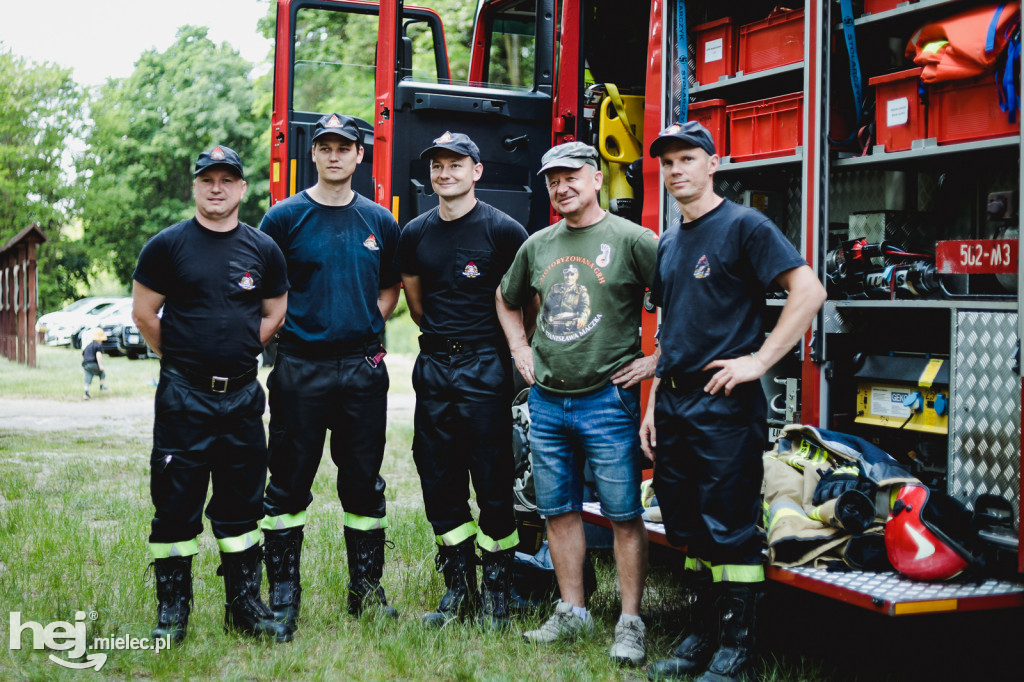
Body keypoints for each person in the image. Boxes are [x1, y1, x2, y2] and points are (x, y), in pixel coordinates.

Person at [641, 121, 826, 681]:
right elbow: (669, 325)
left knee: (730, 527)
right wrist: (652, 404)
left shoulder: (745, 226)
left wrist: (759, 361)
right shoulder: (670, 241)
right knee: (687, 524)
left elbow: (809, 290)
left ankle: (736, 651)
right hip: (674, 405)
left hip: (724, 405)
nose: (676, 171)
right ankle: (702, 635)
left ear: (712, 164)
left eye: (687, 159)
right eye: (667, 162)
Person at [497, 141, 658, 666]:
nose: (561, 188)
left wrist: (658, 359)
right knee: (558, 510)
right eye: (552, 180)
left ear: (595, 179)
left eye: (570, 177)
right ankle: (573, 611)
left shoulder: (633, 240)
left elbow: (681, 298)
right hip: (547, 401)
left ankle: (630, 622)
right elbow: (506, 296)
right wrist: (520, 346)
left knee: (623, 514)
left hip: (606, 402)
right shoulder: (538, 245)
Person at [131, 145, 291, 644]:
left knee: (242, 506)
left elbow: (274, 312)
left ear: (243, 189)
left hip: (242, 396)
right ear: (195, 187)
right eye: (207, 180)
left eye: (227, 179)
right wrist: (182, 360)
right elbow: (144, 314)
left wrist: (240, 350)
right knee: (176, 504)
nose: (216, 187)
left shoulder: (263, 249)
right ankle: (172, 615)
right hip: (183, 397)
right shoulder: (166, 246)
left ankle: (243, 608)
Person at [258, 113, 402, 628]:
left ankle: (365, 590)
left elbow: (389, 288)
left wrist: (361, 321)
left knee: (363, 482)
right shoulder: (283, 218)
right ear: (313, 154)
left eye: (345, 147)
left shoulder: (379, 220)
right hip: (300, 367)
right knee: (288, 484)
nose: (335, 155)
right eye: (326, 147)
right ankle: (284, 592)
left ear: (360, 155)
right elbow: (266, 292)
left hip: (363, 370)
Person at [395, 131, 529, 629]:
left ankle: (498, 593)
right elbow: (416, 305)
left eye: (456, 164)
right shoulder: (414, 233)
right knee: (438, 475)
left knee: (494, 480)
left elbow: (524, 304)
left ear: (477, 171)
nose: (444, 173)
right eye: (437, 165)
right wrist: (445, 344)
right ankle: (459, 590)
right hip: (434, 367)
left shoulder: (505, 231)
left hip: (487, 366)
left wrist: (499, 352)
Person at [81, 328, 108, 399]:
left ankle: (86, 393)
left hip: (86, 364)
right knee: (102, 373)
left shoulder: (88, 346)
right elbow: (98, 354)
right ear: (100, 339)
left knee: (87, 379)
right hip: (93, 363)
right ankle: (102, 387)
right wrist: (100, 365)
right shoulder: (98, 346)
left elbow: (83, 355)